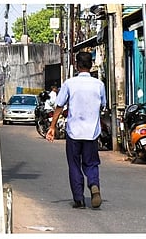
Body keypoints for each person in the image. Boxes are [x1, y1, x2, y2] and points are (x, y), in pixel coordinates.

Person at [46, 52, 106, 209]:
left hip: (74, 132)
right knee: (91, 163)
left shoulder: (69, 84)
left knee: (74, 164)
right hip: (92, 132)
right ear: (91, 65)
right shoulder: (99, 85)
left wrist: (52, 127)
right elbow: (102, 105)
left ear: (77, 66)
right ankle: (94, 184)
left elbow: (59, 106)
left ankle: (79, 199)